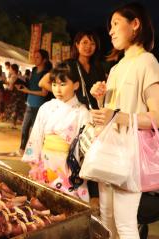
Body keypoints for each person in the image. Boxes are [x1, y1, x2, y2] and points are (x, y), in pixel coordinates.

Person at [90, 3, 159, 238]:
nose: (110, 31)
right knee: (106, 218)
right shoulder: (115, 69)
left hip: (130, 154)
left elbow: (158, 118)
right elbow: (111, 114)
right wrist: (100, 100)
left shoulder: (149, 63)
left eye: (116, 24)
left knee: (125, 223)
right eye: (109, 26)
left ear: (135, 24)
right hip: (109, 150)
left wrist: (116, 115)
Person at [22, 62, 99, 210]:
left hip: (68, 166)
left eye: (63, 84)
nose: (57, 89)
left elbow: (85, 148)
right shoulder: (46, 108)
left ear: (76, 85)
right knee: (42, 205)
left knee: (66, 208)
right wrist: (34, 163)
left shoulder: (83, 113)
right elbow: (36, 136)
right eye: (55, 84)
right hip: (45, 162)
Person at [39, 30, 106, 109]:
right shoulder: (69, 64)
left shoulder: (98, 67)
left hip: (95, 112)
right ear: (77, 45)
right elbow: (43, 82)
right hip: (74, 111)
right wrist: (63, 95)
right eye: (85, 42)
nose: (88, 46)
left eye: (92, 44)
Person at [11, 49, 51, 156]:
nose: (35, 59)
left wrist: (28, 91)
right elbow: (31, 85)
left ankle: (34, 153)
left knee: (36, 131)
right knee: (24, 128)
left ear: (44, 60)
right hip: (29, 103)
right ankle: (22, 150)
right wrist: (22, 85)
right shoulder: (33, 70)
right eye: (34, 56)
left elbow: (44, 93)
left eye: (38, 57)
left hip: (39, 106)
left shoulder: (46, 74)